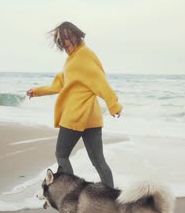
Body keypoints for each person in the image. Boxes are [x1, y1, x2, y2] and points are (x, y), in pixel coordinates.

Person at [27, 21, 122, 188]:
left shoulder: (83, 56)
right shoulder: (74, 59)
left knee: (61, 155)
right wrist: (37, 91)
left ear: (77, 35)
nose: (66, 43)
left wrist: (113, 105)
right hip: (91, 118)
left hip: (75, 116)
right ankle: (111, 198)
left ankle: (70, 195)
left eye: (68, 38)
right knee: (98, 161)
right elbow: (59, 85)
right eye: (62, 41)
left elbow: (100, 82)